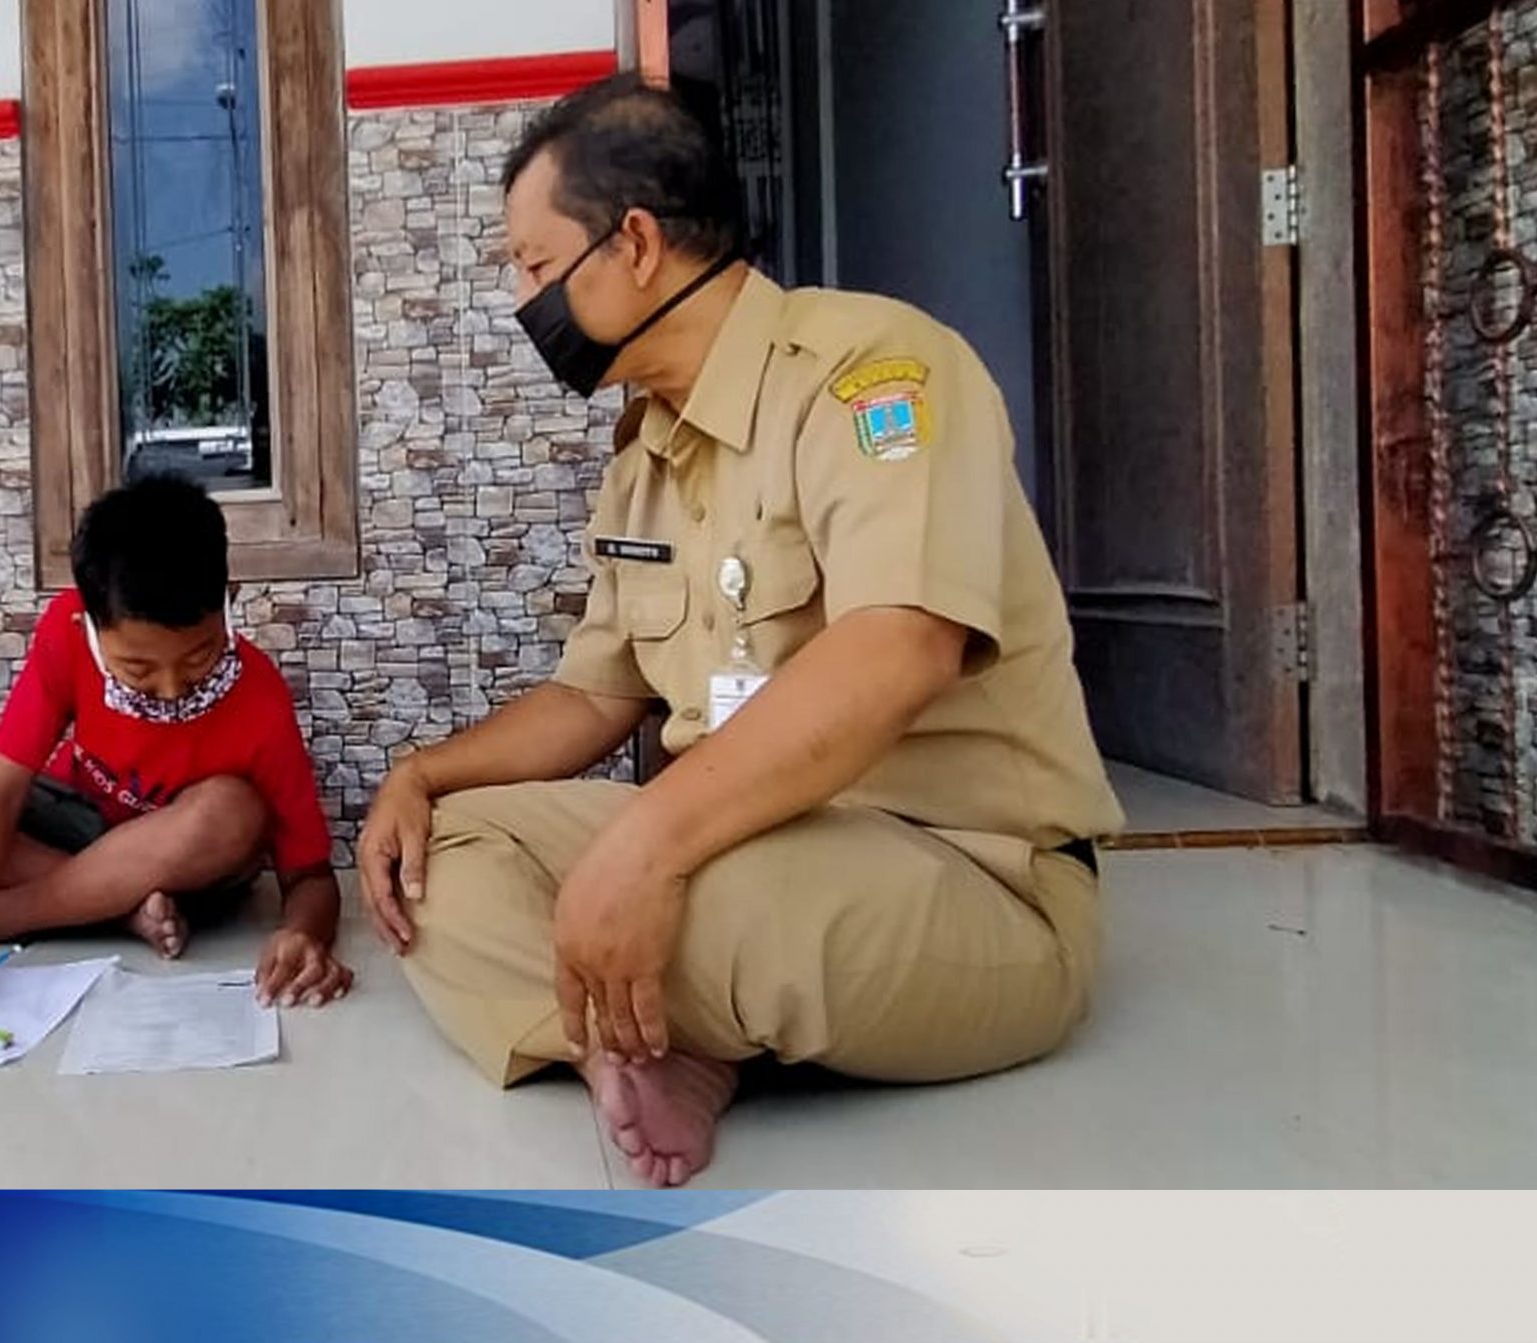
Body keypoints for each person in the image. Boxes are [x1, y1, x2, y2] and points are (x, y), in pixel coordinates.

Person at [356, 75, 1124, 1187]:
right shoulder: (646, 452)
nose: (521, 300)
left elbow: (899, 645)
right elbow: (594, 696)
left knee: (670, 904)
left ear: (633, 243)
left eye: (533, 264)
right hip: (733, 836)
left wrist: (647, 846)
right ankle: (650, 1047)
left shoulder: (873, 369)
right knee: (444, 862)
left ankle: (637, 1021)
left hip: (963, 870)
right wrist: (422, 775)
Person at [0, 475, 352, 1023]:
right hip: (76, 827)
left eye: (199, 657)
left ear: (230, 600)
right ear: (89, 620)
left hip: (180, 870)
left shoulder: (260, 697)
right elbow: (2, 790)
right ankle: (119, 912)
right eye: (138, 669)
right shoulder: (66, 631)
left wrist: (302, 933)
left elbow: (311, 878)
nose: (171, 689)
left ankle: (5, 915)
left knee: (232, 811)